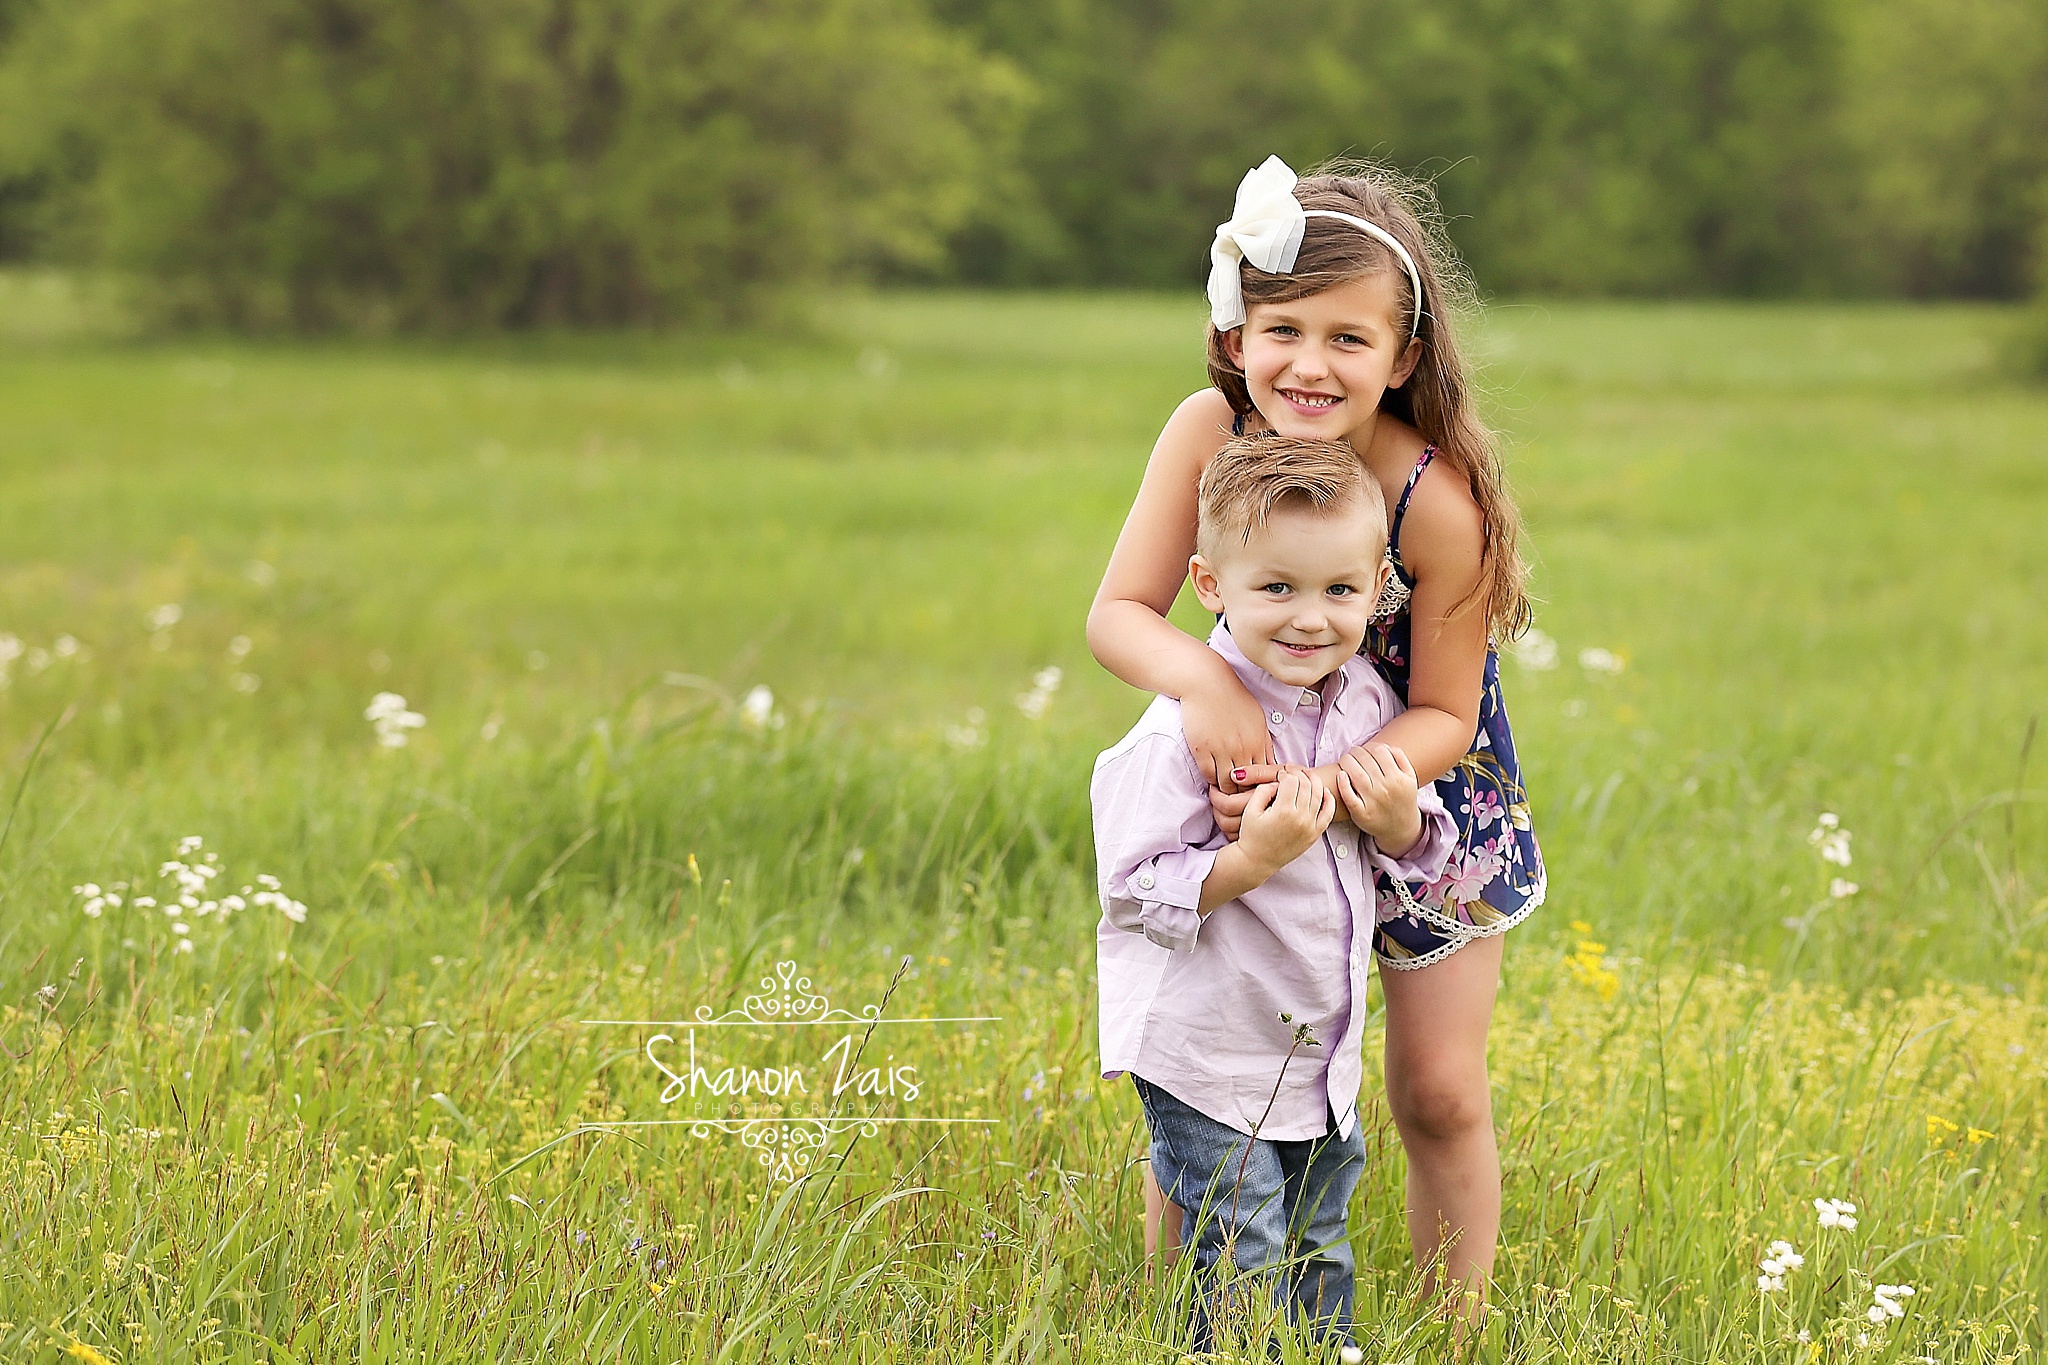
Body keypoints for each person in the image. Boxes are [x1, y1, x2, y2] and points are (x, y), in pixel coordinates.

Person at [1087, 154, 1545, 1317]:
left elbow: (1447, 709)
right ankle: (1180, 1322)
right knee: (1216, 1067)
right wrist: (1202, 682)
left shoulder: (1433, 504)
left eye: (1349, 339)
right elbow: (1119, 614)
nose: (1309, 362)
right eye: (1283, 327)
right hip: (1242, 789)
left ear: (1401, 359)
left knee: (1436, 1089)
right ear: (1236, 332)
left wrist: (1355, 792)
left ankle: (1456, 1329)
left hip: (1414, 799)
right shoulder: (1206, 430)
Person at [1093, 433, 1456, 1352]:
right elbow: (1133, 893)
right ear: (1211, 585)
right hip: (1209, 1051)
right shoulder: (1178, 737)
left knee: (1318, 1244)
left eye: (1339, 591)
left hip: (1318, 1053)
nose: (1309, 619)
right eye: (1277, 588)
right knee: (1240, 1250)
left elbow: (1419, 851)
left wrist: (1397, 824)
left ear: (1378, 587)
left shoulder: (1369, 702)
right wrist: (1250, 861)